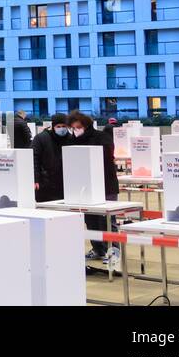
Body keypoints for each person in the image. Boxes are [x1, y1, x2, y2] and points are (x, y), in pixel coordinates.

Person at [69, 110, 120, 265]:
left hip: (106, 184)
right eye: (73, 128)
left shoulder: (101, 137)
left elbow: (107, 160)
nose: (75, 131)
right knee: (90, 220)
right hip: (86, 187)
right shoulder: (74, 141)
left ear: (85, 125)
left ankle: (114, 252)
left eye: (77, 127)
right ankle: (98, 249)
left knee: (107, 220)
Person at [31, 113, 70, 202]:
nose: (61, 129)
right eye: (58, 126)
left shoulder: (71, 139)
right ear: (53, 126)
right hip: (45, 183)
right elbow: (34, 158)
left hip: (65, 184)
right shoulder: (41, 138)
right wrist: (35, 178)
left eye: (64, 126)